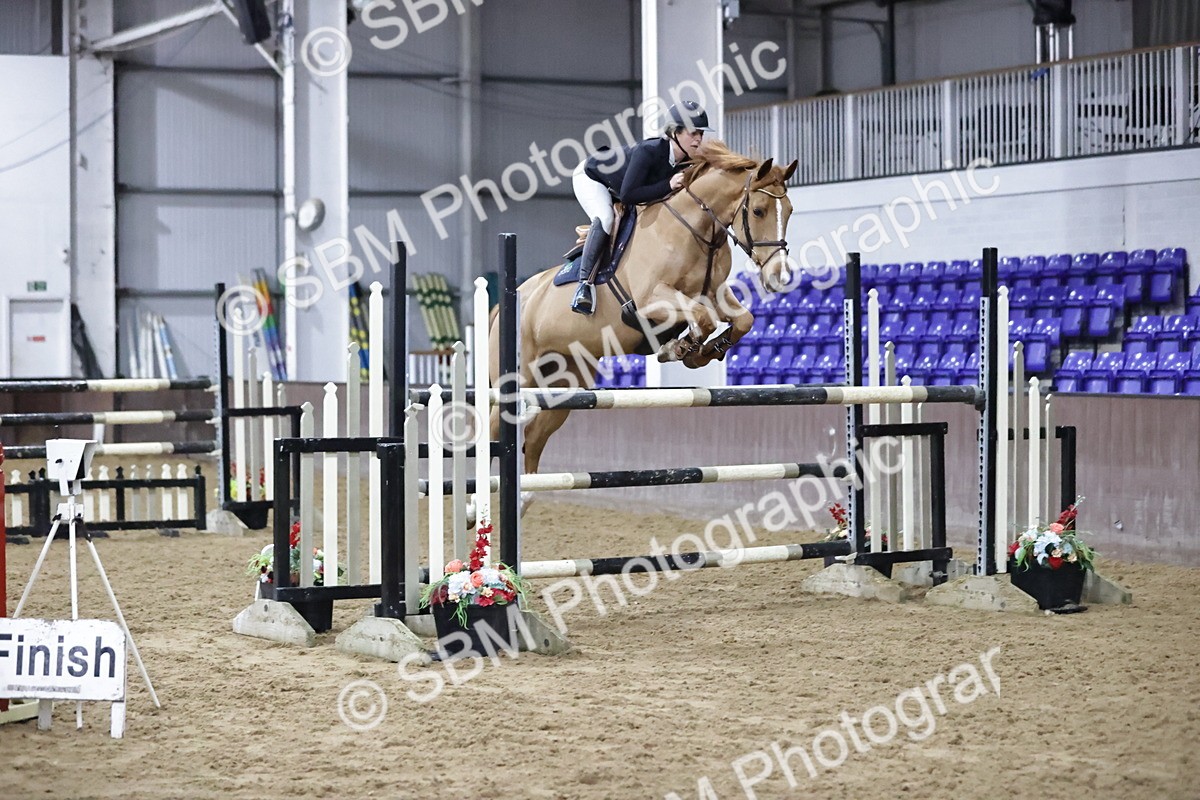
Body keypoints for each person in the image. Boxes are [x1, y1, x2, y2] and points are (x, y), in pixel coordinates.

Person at [569, 100, 715, 315]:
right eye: (693, 133)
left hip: (620, 183)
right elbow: (629, 195)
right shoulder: (649, 151)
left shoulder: (686, 162)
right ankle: (585, 285)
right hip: (592, 176)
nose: (698, 139)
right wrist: (668, 184)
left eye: (701, 134)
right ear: (675, 132)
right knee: (606, 217)